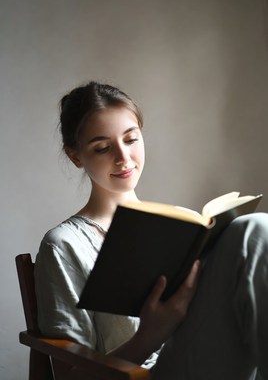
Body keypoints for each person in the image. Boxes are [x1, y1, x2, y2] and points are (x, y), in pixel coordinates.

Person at [35, 81, 268, 380]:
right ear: (75, 156)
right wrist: (150, 335)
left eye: (131, 139)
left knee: (253, 226)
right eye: (103, 147)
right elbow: (70, 376)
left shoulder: (177, 226)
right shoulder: (64, 245)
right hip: (142, 375)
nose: (123, 157)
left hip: (200, 354)